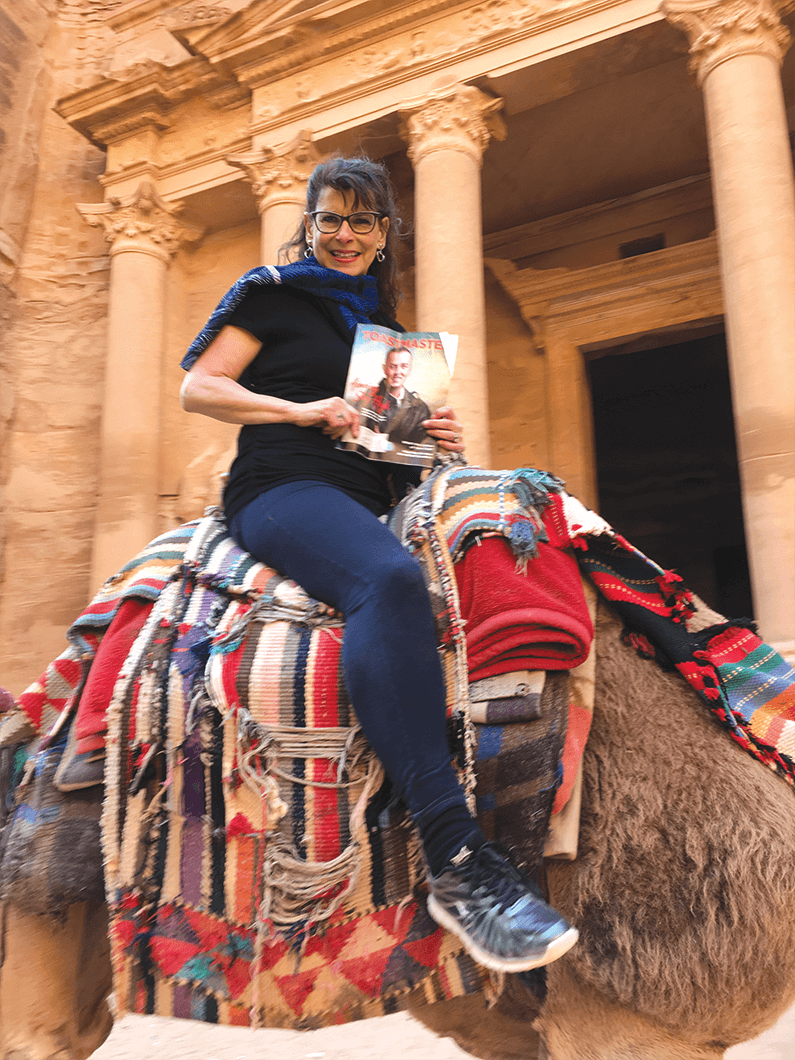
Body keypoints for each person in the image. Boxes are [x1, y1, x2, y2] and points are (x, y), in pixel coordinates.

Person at [180, 155, 577, 973]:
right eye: (330, 218)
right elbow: (200, 388)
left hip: (371, 494)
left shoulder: (389, 335)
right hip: (284, 485)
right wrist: (299, 409)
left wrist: (431, 441)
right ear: (310, 220)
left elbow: (383, 445)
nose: (345, 234)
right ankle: (455, 860)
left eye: (363, 221)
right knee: (387, 582)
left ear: (384, 231)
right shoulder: (273, 293)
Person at [357, 345, 430, 445]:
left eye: (404, 366)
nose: (397, 372)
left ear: (410, 370)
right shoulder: (367, 398)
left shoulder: (420, 408)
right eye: (392, 366)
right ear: (384, 368)